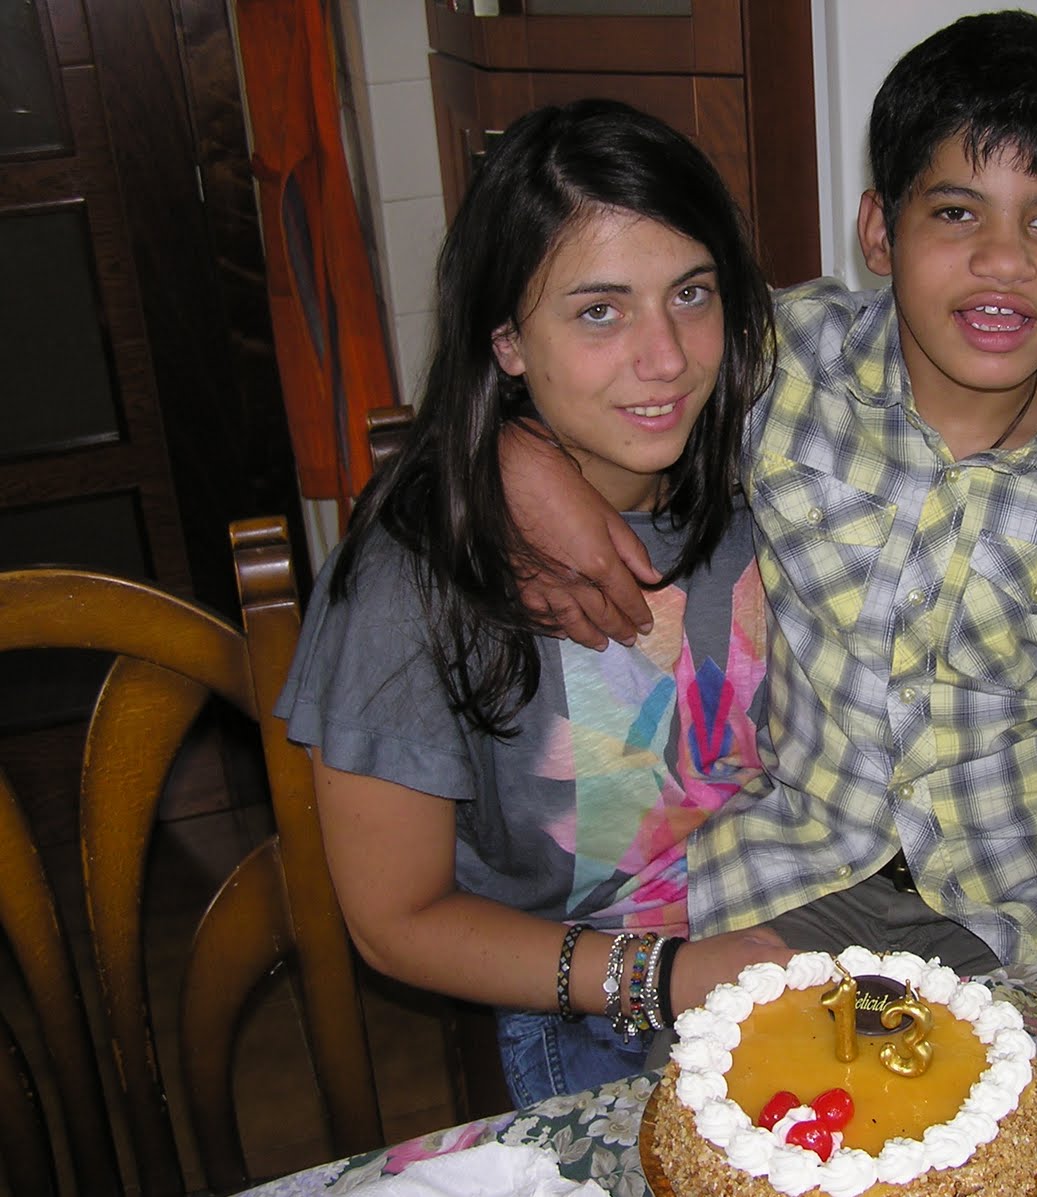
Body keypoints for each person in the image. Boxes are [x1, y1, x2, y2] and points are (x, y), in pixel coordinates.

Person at [502, 11, 1037, 1052]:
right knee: (752, 1112)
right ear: (879, 232)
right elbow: (614, 384)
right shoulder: (782, 365)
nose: (1004, 262)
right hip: (791, 889)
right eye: (957, 213)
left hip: (1036, 917)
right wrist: (521, 458)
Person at [275, 100, 802, 1106]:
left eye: (691, 294)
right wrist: (665, 977)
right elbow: (395, 920)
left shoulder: (779, 470)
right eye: (599, 311)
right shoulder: (408, 586)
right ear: (508, 340)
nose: (666, 357)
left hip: (795, 919)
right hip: (588, 994)